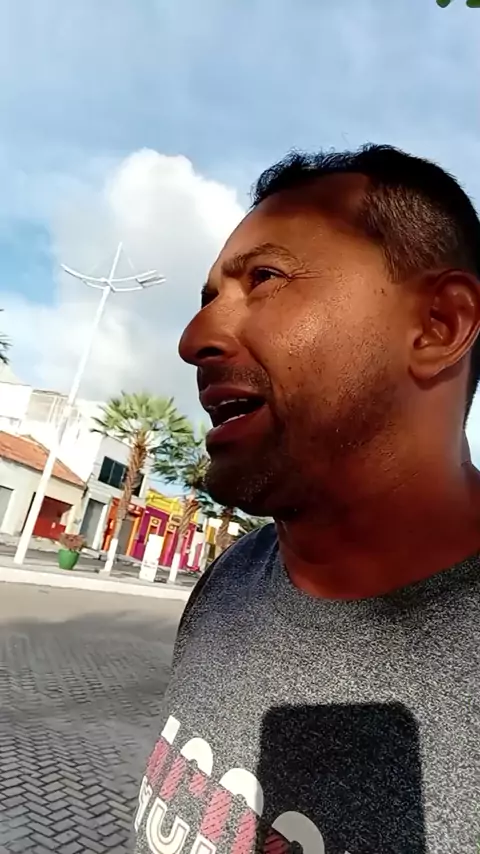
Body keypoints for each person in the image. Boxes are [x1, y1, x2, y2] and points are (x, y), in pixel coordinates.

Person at [133, 145, 480, 854]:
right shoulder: (231, 582)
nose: (194, 340)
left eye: (265, 278)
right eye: (207, 300)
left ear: (439, 324)